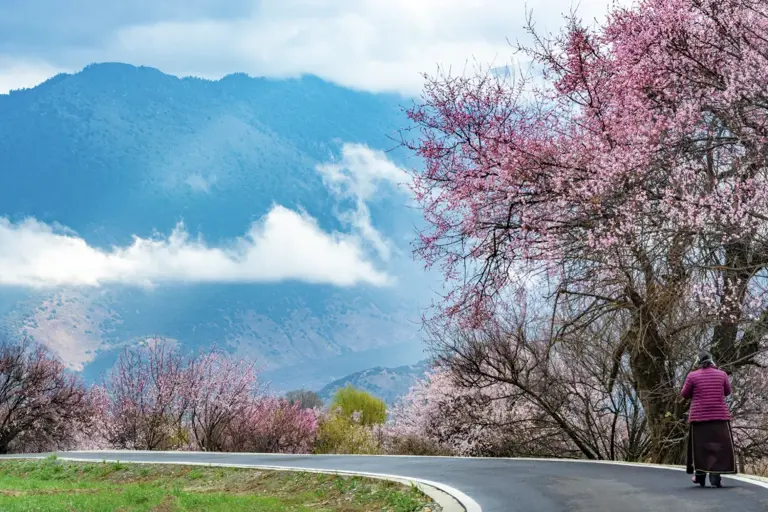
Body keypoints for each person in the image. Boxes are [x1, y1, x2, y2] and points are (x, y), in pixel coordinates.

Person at [681, 350, 737, 487]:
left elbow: (684, 394)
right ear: (712, 361)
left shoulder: (692, 376)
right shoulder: (722, 374)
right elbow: (727, 392)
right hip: (719, 417)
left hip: (699, 418)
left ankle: (700, 476)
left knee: (700, 447)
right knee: (718, 446)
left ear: (698, 363)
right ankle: (715, 475)